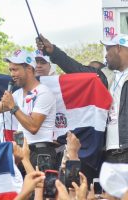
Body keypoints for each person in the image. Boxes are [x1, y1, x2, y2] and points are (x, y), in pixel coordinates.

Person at [36, 33, 128, 164]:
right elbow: (78, 70)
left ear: (118, 48)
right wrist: (53, 51)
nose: (106, 55)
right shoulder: (106, 76)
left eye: (108, 49)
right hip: (110, 153)